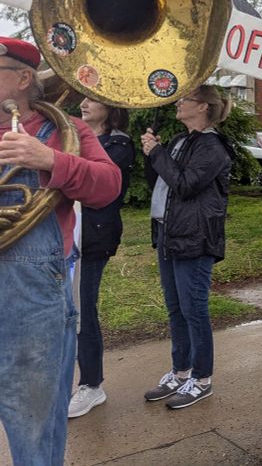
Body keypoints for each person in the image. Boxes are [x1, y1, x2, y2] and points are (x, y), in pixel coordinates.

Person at [0, 37, 121, 464]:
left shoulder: (63, 130)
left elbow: (108, 187)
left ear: (22, 78)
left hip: (31, 290)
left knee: (31, 413)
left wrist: (49, 159)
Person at [140, 85, 235, 409]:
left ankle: (202, 378)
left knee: (194, 310)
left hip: (195, 238)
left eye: (186, 100)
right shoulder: (182, 141)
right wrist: (152, 154)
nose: (179, 103)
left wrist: (157, 153)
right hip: (169, 234)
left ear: (204, 108)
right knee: (176, 309)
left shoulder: (213, 147)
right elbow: (161, 182)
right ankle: (181, 372)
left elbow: (185, 185)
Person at [68, 98, 135, 418]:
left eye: (92, 100)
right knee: (65, 308)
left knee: (82, 309)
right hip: (66, 233)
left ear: (111, 109)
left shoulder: (119, 144)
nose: (82, 104)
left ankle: (92, 386)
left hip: (92, 237)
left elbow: (89, 180)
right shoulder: (76, 137)